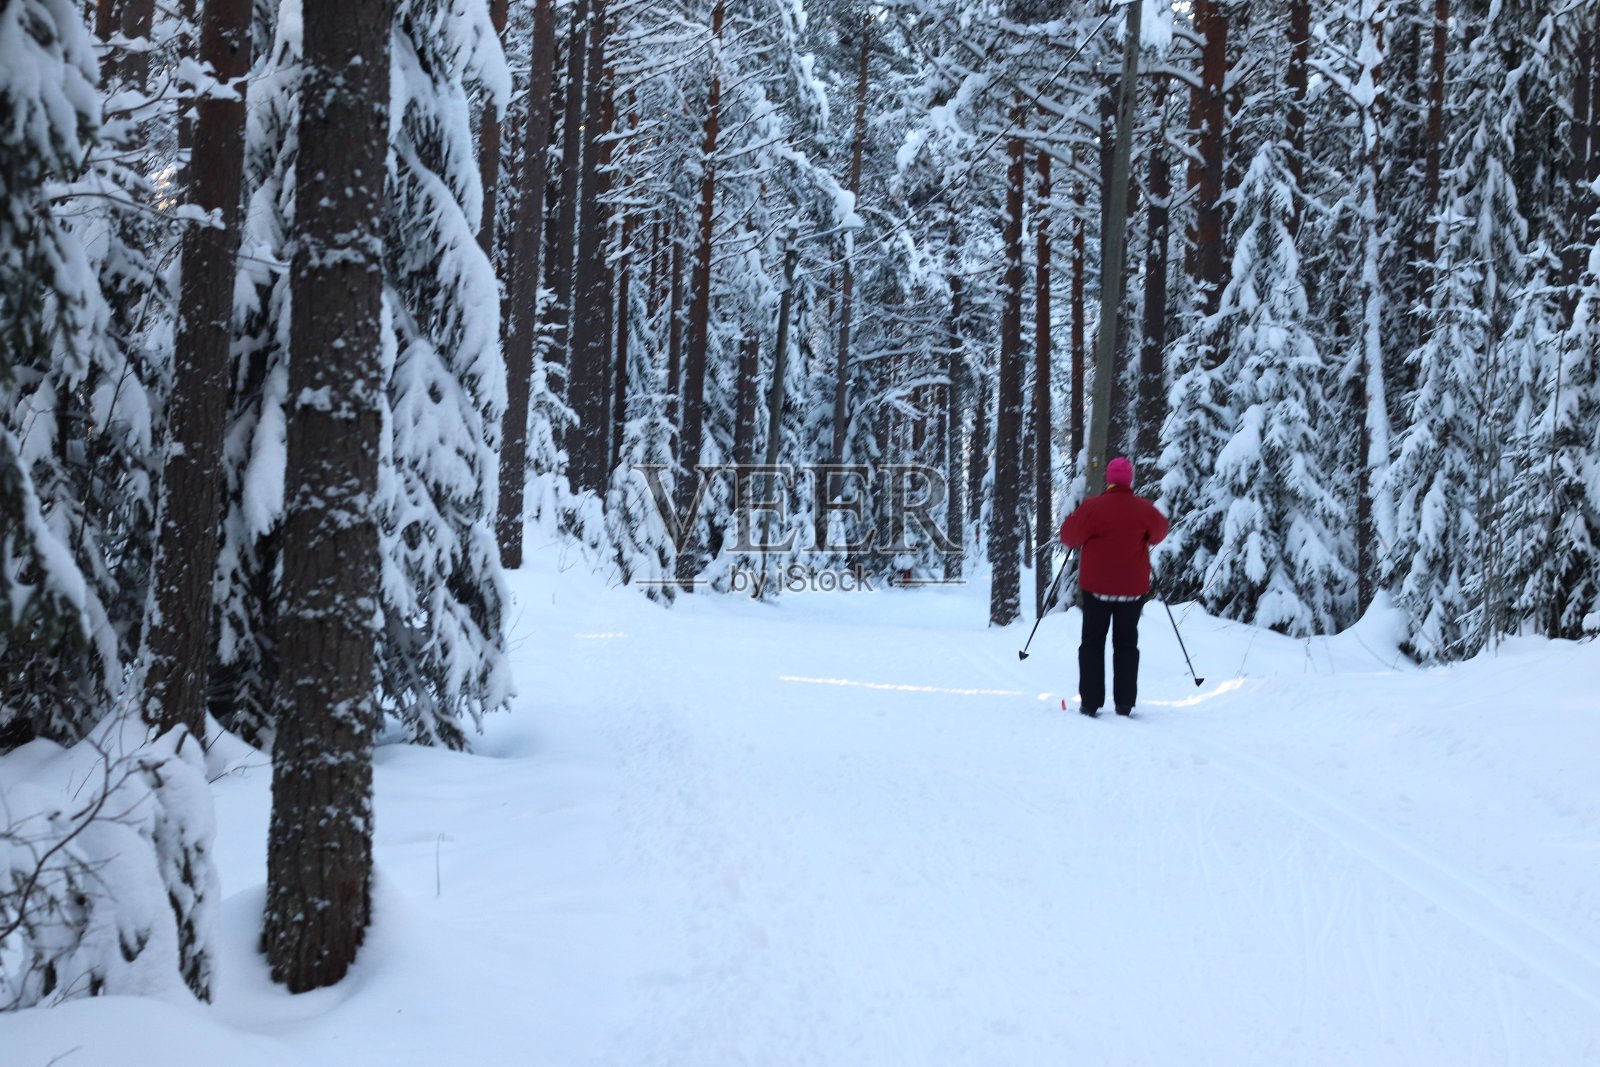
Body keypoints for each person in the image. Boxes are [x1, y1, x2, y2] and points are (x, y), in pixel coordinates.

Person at [1057, 456, 1169, 717]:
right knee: (1127, 645)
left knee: (1092, 644)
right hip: (1132, 591)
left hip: (1096, 590)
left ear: (1108, 479)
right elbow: (1160, 532)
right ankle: (1125, 703)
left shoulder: (1094, 508)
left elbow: (1069, 537)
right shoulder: (1144, 509)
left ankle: (1091, 702)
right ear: (1130, 480)